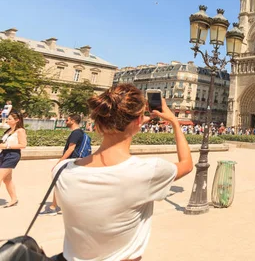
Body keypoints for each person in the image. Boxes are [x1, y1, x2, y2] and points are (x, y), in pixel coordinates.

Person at [52, 84, 194, 260]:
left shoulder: (61, 171)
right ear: (138, 123)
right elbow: (187, 164)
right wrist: (174, 122)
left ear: (96, 125)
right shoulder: (146, 173)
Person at [41, 114, 88, 216]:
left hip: (71, 161)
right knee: (66, 183)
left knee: (58, 182)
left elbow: (70, 149)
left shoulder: (76, 133)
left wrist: (59, 162)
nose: (65, 121)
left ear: (73, 121)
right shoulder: (80, 132)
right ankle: (61, 206)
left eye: (67, 120)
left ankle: (53, 207)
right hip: (75, 161)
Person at [0, 112, 27, 208]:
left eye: (10, 119)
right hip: (3, 154)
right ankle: (14, 199)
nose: (7, 120)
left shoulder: (20, 131)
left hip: (12, 155)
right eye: (8, 118)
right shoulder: (8, 131)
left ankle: (14, 199)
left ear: (17, 120)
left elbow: (23, 145)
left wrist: (6, 146)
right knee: (7, 180)